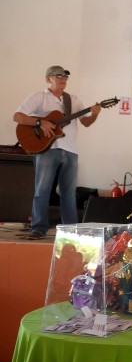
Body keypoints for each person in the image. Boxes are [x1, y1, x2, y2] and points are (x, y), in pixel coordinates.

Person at [14, 66, 102, 240]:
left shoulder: (73, 100)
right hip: (47, 150)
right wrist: (40, 123)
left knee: (69, 193)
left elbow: (86, 123)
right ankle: (38, 228)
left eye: (65, 76)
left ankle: (69, 231)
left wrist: (95, 114)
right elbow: (18, 116)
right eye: (59, 76)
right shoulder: (39, 97)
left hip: (70, 151)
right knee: (42, 190)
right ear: (48, 79)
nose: (63, 79)